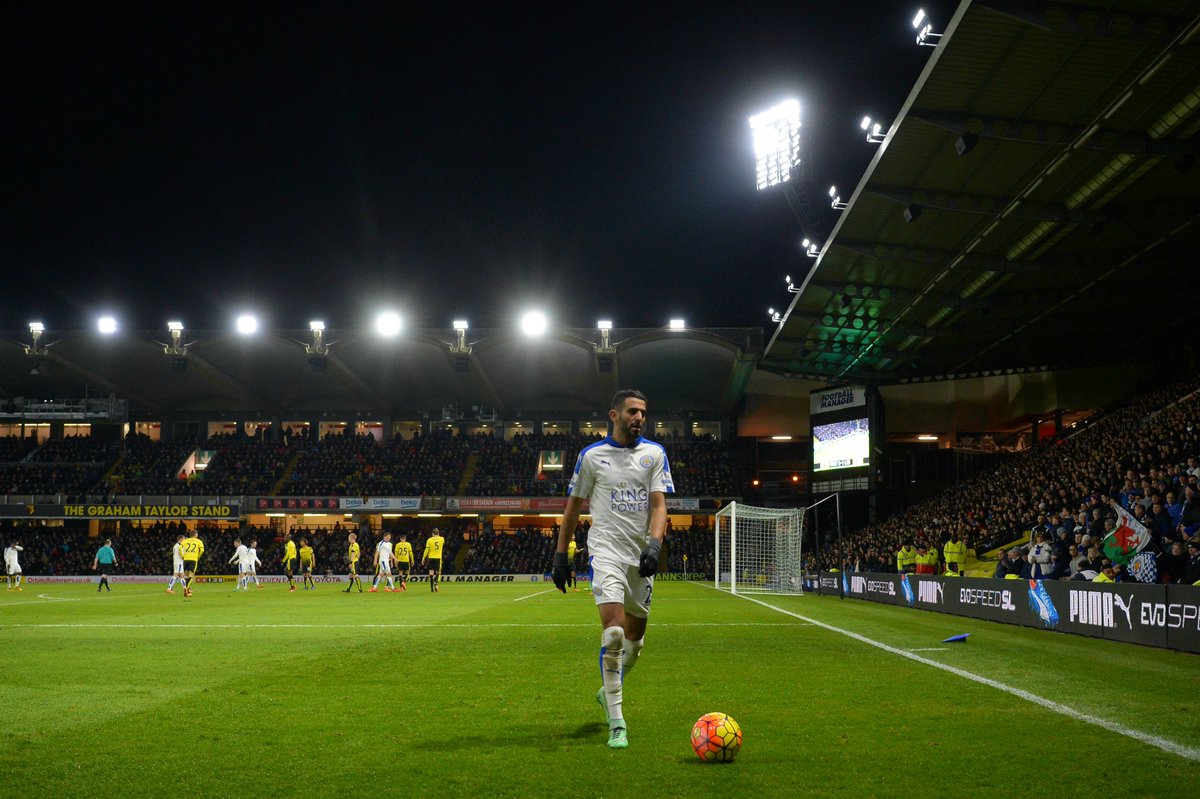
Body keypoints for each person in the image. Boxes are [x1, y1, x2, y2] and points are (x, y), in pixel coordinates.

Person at [553, 389, 672, 750]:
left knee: (634, 643)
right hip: (605, 552)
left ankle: (607, 692)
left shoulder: (654, 454)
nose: (640, 418)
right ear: (614, 415)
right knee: (615, 634)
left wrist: (654, 544)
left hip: (641, 557)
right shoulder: (591, 456)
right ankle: (617, 722)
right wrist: (561, 555)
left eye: (643, 412)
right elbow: (573, 506)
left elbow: (660, 506)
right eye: (633, 411)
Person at [180, 531, 204, 597]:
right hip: (193, 559)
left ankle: (187, 589)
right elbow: (202, 550)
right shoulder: (199, 541)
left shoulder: (185, 541)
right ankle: (187, 589)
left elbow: (180, 548)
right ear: (195, 535)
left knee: (186, 575)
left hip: (185, 559)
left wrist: (182, 555)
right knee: (191, 575)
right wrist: (198, 557)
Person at [421, 527, 445, 593]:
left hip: (431, 558)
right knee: (438, 572)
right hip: (438, 558)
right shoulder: (442, 539)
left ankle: (432, 589)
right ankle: (435, 581)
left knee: (431, 572)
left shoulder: (429, 540)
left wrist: (423, 558)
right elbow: (443, 543)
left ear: (432, 534)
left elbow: (427, 549)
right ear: (438, 533)